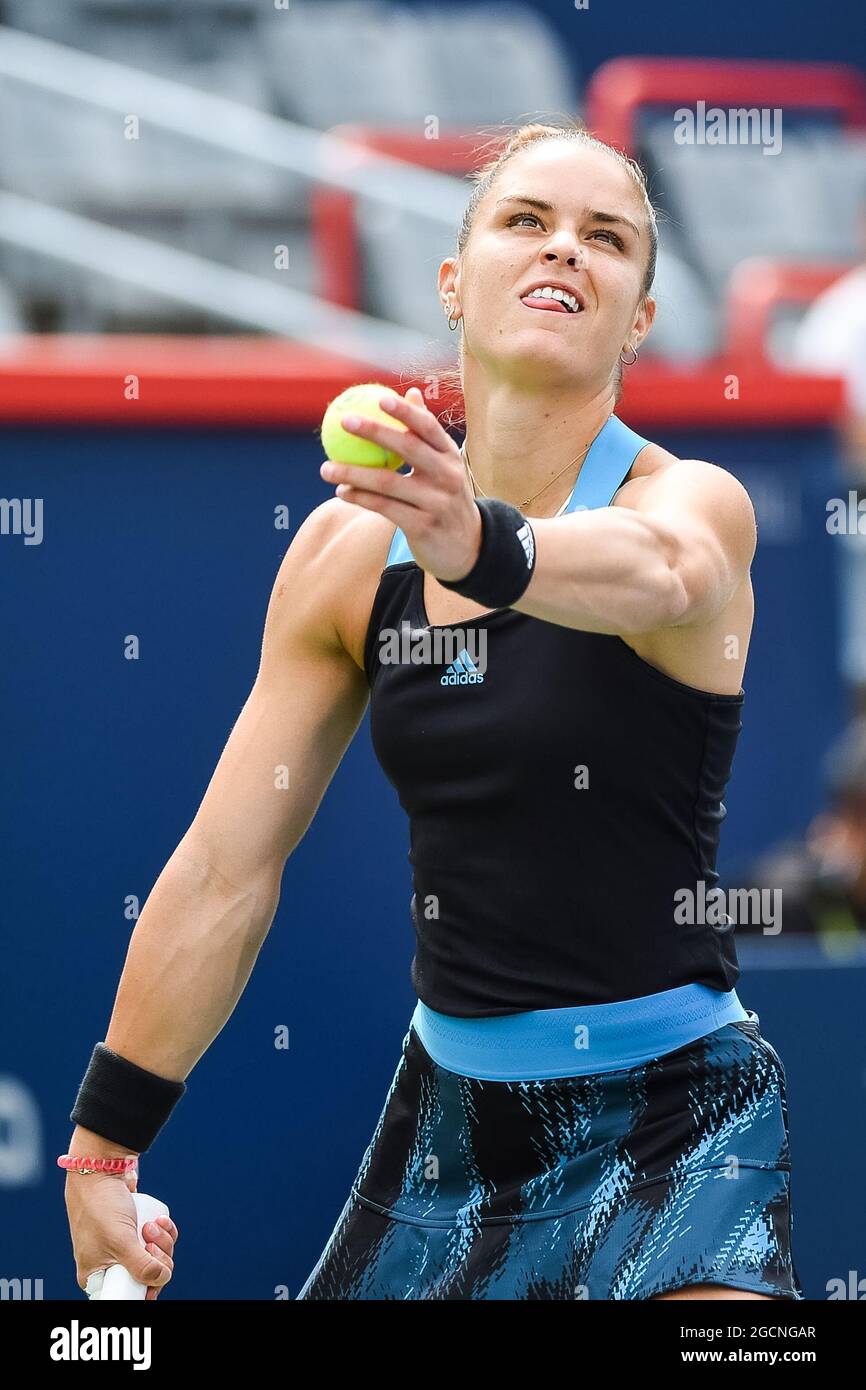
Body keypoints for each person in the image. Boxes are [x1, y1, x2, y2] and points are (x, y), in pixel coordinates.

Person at [64, 121, 802, 1301]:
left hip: (680, 1118)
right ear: (454, 283)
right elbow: (224, 868)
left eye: (605, 239)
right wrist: (104, 1144)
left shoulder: (693, 506)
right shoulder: (349, 557)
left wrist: (482, 543)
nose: (564, 250)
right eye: (526, 221)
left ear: (638, 318)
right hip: (448, 1131)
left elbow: (660, 576)